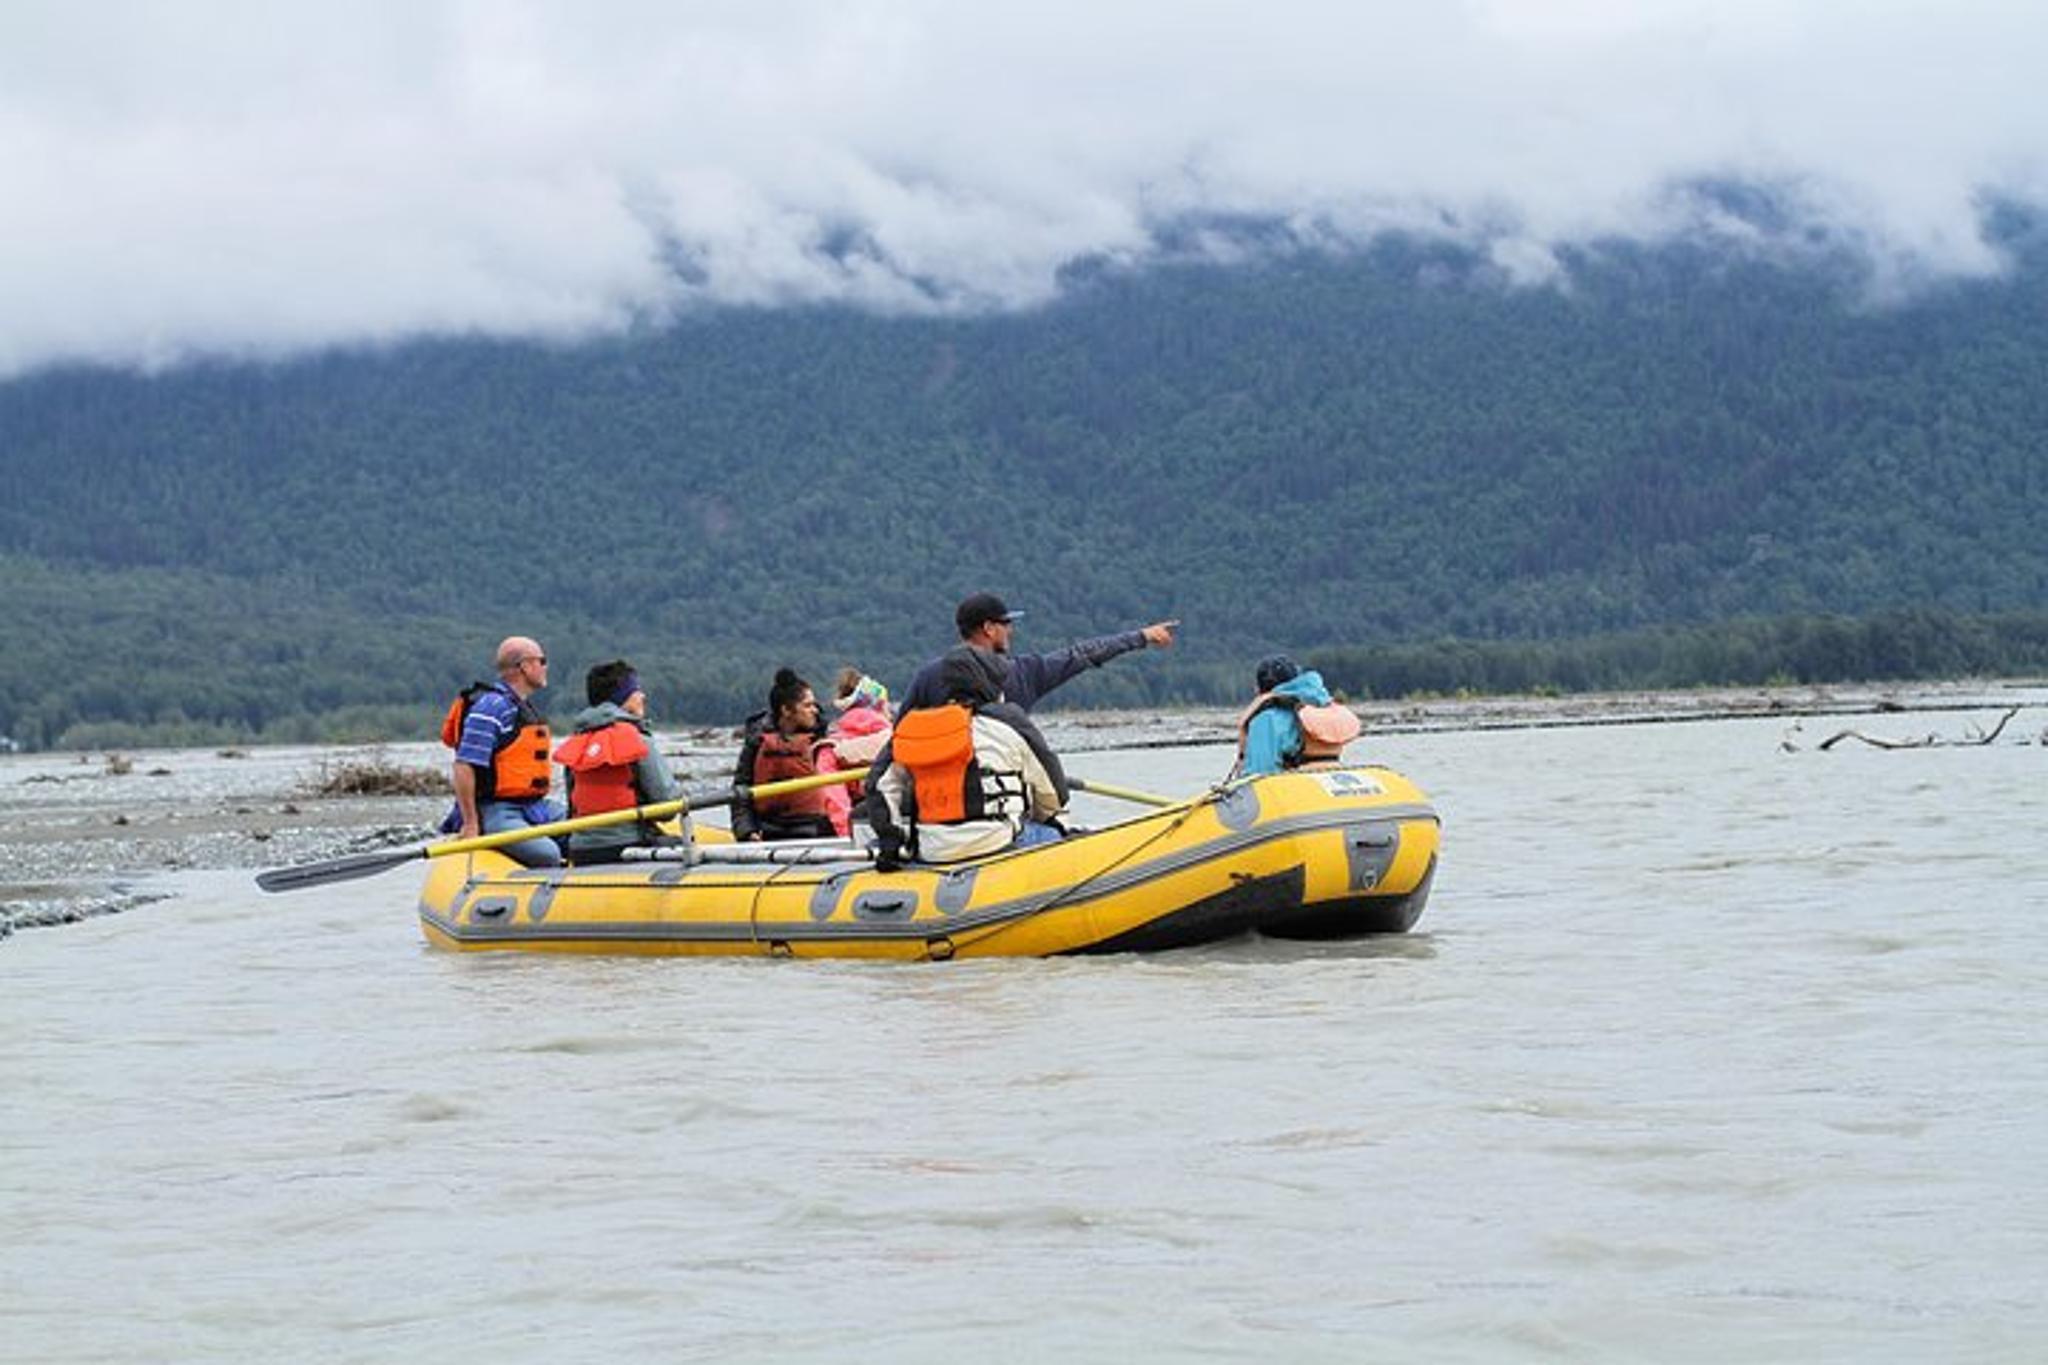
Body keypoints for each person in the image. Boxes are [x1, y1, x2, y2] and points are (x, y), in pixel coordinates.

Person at [871, 644, 1069, 867]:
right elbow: (1053, 791)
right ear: (990, 684)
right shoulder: (1009, 722)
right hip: (997, 842)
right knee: (1053, 835)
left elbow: (878, 786)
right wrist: (1045, 816)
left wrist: (893, 839)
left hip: (934, 850)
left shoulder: (913, 729)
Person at [896, 593, 1178, 715]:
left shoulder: (927, 676)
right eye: (1007, 624)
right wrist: (1140, 637)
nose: (1011, 631)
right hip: (1002, 819)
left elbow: (898, 738)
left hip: (935, 819)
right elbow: (1082, 654)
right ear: (989, 628)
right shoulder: (1022, 673)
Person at [440, 635, 565, 867]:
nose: (546, 667)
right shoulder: (491, 707)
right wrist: (470, 823)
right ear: (525, 666)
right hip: (497, 810)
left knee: (588, 834)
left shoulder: (520, 705)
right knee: (548, 854)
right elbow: (464, 765)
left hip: (534, 807)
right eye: (542, 661)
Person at [551, 660, 685, 865]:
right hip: (627, 847)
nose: (642, 696)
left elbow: (572, 807)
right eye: (637, 690)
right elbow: (667, 809)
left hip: (581, 850)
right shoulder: (638, 739)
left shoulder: (576, 743)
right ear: (622, 698)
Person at [731, 668, 837, 841]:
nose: (815, 710)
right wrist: (746, 830)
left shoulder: (822, 740)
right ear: (787, 710)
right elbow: (741, 787)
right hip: (769, 829)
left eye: (814, 705)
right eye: (807, 705)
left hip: (815, 829)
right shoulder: (757, 740)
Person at [1235, 654, 1363, 777]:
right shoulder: (1321, 708)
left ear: (1259, 689)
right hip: (1330, 783)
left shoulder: (1266, 719)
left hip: (1291, 791)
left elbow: (1259, 772)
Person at [817, 673, 894, 837]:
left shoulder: (830, 746)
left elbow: (835, 799)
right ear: (879, 705)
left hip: (854, 827)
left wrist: (847, 834)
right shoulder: (894, 736)